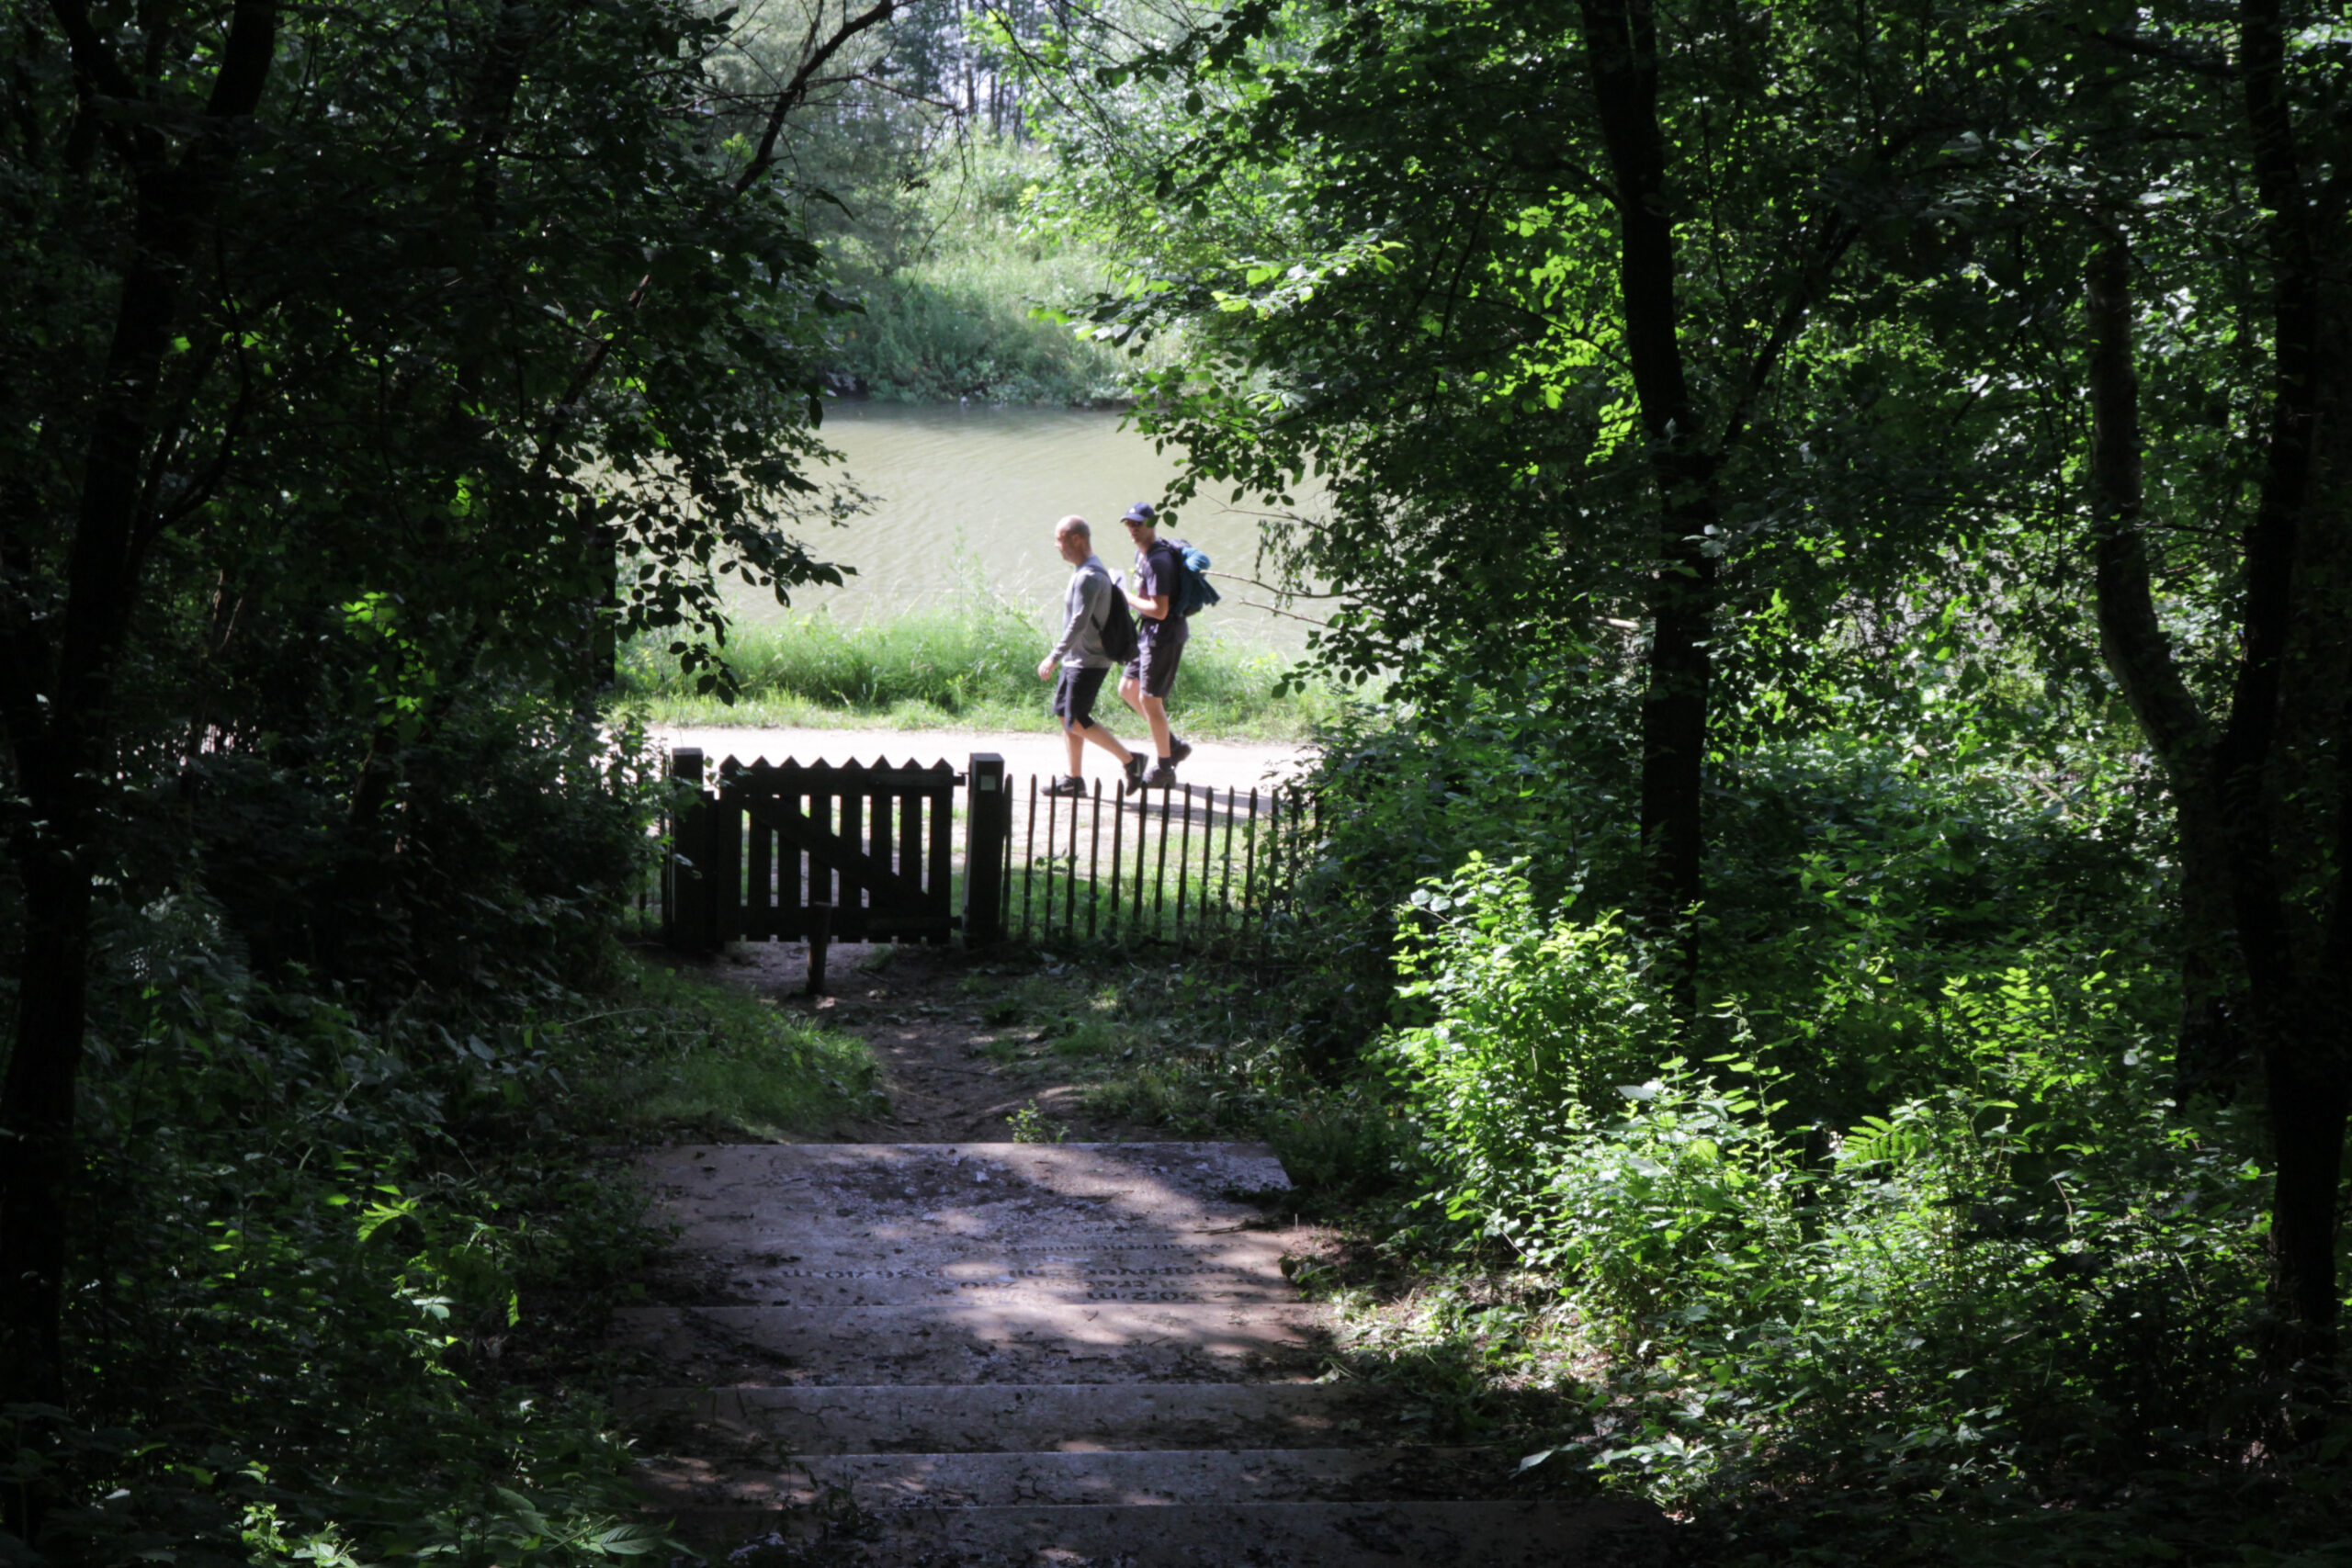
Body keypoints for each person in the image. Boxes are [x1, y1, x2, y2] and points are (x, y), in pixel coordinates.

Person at [1035, 514, 1147, 797]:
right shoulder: (1085, 570)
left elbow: (1079, 622)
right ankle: (1074, 780)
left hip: (1089, 661)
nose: (1056, 545)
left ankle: (1131, 761)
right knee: (1065, 716)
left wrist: (1053, 657)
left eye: (1060, 539)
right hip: (1077, 659)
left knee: (1075, 719)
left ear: (1077, 539)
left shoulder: (1089, 576)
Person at [1114, 502, 1193, 787]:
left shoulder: (1158, 562)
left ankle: (1164, 769)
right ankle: (1172, 745)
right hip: (1148, 632)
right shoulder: (1143, 554)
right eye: (1129, 524)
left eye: (1138, 523)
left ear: (1151, 524)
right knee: (1128, 689)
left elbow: (1160, 610)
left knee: (1150, 699)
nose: (1133, 529)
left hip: (1164, 634)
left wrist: (1124, 597)